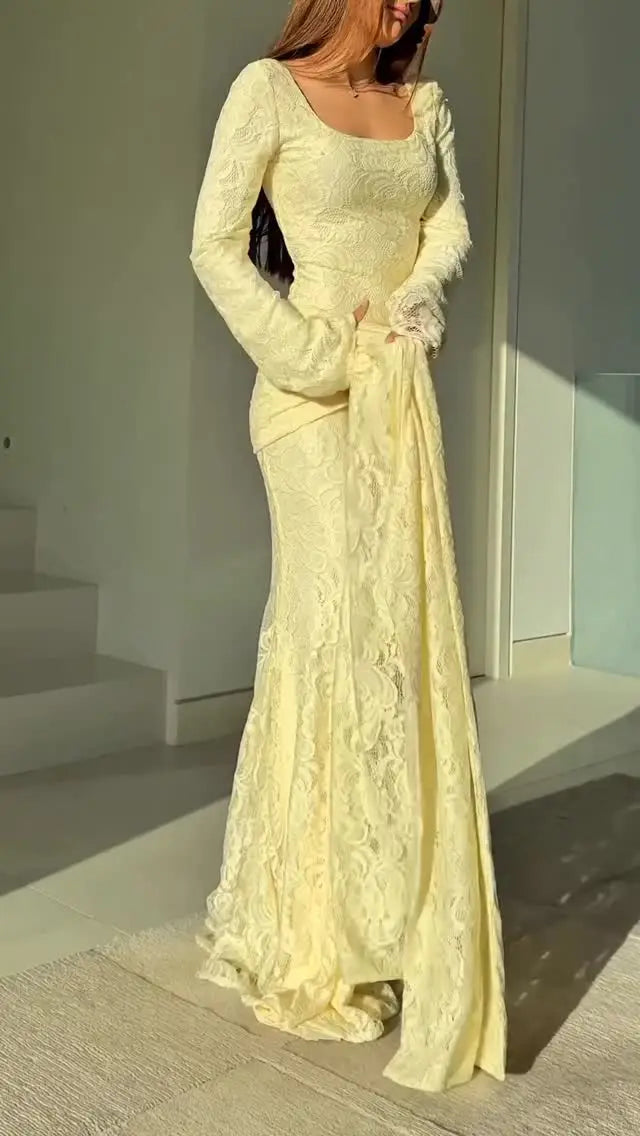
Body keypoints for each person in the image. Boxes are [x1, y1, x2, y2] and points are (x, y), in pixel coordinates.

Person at [190, 0, 506, 1093]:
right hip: (309, 399)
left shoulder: (425, 105)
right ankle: (309, 930)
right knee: (330, 629)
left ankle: (380, 899)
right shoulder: (267, 92)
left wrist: (417, 300)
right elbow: (213, 244)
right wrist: (308, 352)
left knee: (393, 639)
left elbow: (448, 224)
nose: (408, 6)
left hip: (396, 391)